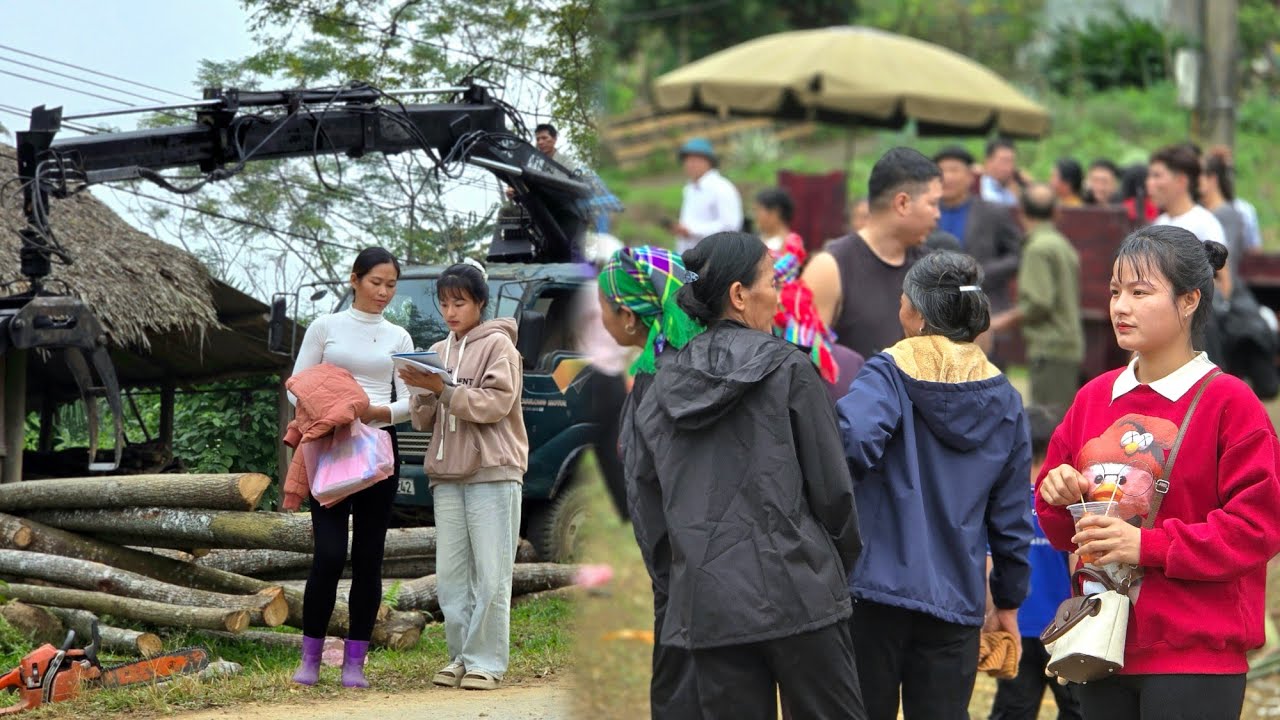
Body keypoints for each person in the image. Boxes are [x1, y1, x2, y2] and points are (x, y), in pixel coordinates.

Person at [1036, 226, 1280, 719]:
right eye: (1114, 291)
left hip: (1195, 656)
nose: (1120, 307)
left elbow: (1258, 527)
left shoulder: (1230, 402)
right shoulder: (1093, 398)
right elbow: (1060, 525)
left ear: (1189, 301)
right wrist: (1058, 491)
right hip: (1102, 645)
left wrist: (1146, 546)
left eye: (1140, 293)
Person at [627, 232, 865, 720]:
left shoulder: (655, 384)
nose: (779, 296)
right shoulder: (792, 370)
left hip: (710, 602)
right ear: (739, 294)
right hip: (802, 592)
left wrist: (684, 578)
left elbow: (645, 504)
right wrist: (835, 572)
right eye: (771, 283)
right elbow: (834, 493)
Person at [836, 250, 1032, 720]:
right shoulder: (1003, 397)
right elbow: (1011, 519)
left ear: (917, 313)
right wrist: (1007, 600)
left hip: (874, 591)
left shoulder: (887, 372)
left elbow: (853, 439)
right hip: (956, 600)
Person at [288, 247, 414, 689]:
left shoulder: (399, 336)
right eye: (376, 282)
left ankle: (355, 662)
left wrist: (373, 412)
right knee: (327, 555)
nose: (383, 292)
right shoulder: (327, 327)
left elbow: (413, 401)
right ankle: (310, 657)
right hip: (329, 447)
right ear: (354, 279)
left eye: (391, 285)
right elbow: (295, 388)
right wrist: (335, 410)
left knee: (368, 558)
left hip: (378, 448)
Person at [399, 261, 528, 692]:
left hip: (494, 470)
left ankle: (486, 662)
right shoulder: (437, 349)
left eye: (460, 302)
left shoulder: (500, 348)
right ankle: (460, 657)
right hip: (446, 473)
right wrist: (420, 389)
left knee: (492, 572)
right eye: (444, 303)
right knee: (453, 576)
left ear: (480, 303)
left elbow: (494, 404)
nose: (450, 311)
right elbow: (423, 421)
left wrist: (443, 390)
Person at [597, 245, 705, 718]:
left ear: (626, 316)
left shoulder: (659, 381)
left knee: (682, 689)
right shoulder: (689, 364)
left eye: (601, 307)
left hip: (682, 571)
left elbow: (655, 484)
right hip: (701, 567)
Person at [988, 405, 1083, 720]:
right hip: (1065, 627)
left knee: (1013, 709)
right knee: (1076, 709)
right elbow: (1077, 561)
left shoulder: (1003, 502)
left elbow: (990, 562)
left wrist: (990, 617)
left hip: (1018, 623)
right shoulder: (1062, 502)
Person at [801, 147, 940, 359]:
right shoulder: (830, 267)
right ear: (902, 203)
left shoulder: (931, 268)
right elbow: (803, 363)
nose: (938, 215)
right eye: (933, 204)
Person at [989, 183, 1084, 408]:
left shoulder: (1037, 249)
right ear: (1056, 212)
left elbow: (1038, 303)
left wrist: (996, 323)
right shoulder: (1061, 244)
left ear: (1021, 211)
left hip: (1050, 348)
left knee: (1049, 426)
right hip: (1065, 346)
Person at [1147, 144, 1226, 247]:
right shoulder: (1160, 223)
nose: (1149, 183)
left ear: (1181, 181)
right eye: (1149, 176)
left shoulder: (1205, 224)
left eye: (1157, 176)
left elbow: (1220, 262)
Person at [673, 138, 743, 253]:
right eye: (687, 160)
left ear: (709, 162)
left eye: (695, 160)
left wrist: (692, 231)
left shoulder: (722, 188)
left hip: (714, 259)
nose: (690, 165)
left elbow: (730, 226)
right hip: (689, 257)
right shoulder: (689, 188)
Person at [1199, 147, 1246, 285]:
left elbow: (1226, 262)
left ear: (1212, 179)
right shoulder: (1202, 211)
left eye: (1199, 175)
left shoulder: (1227, 214)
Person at [980, 138, 1020, 207]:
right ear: (988, 162)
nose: (1008, 168)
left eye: (1012, 161)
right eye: (1004, 161)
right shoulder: (979, 189)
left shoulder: (1009, 191)